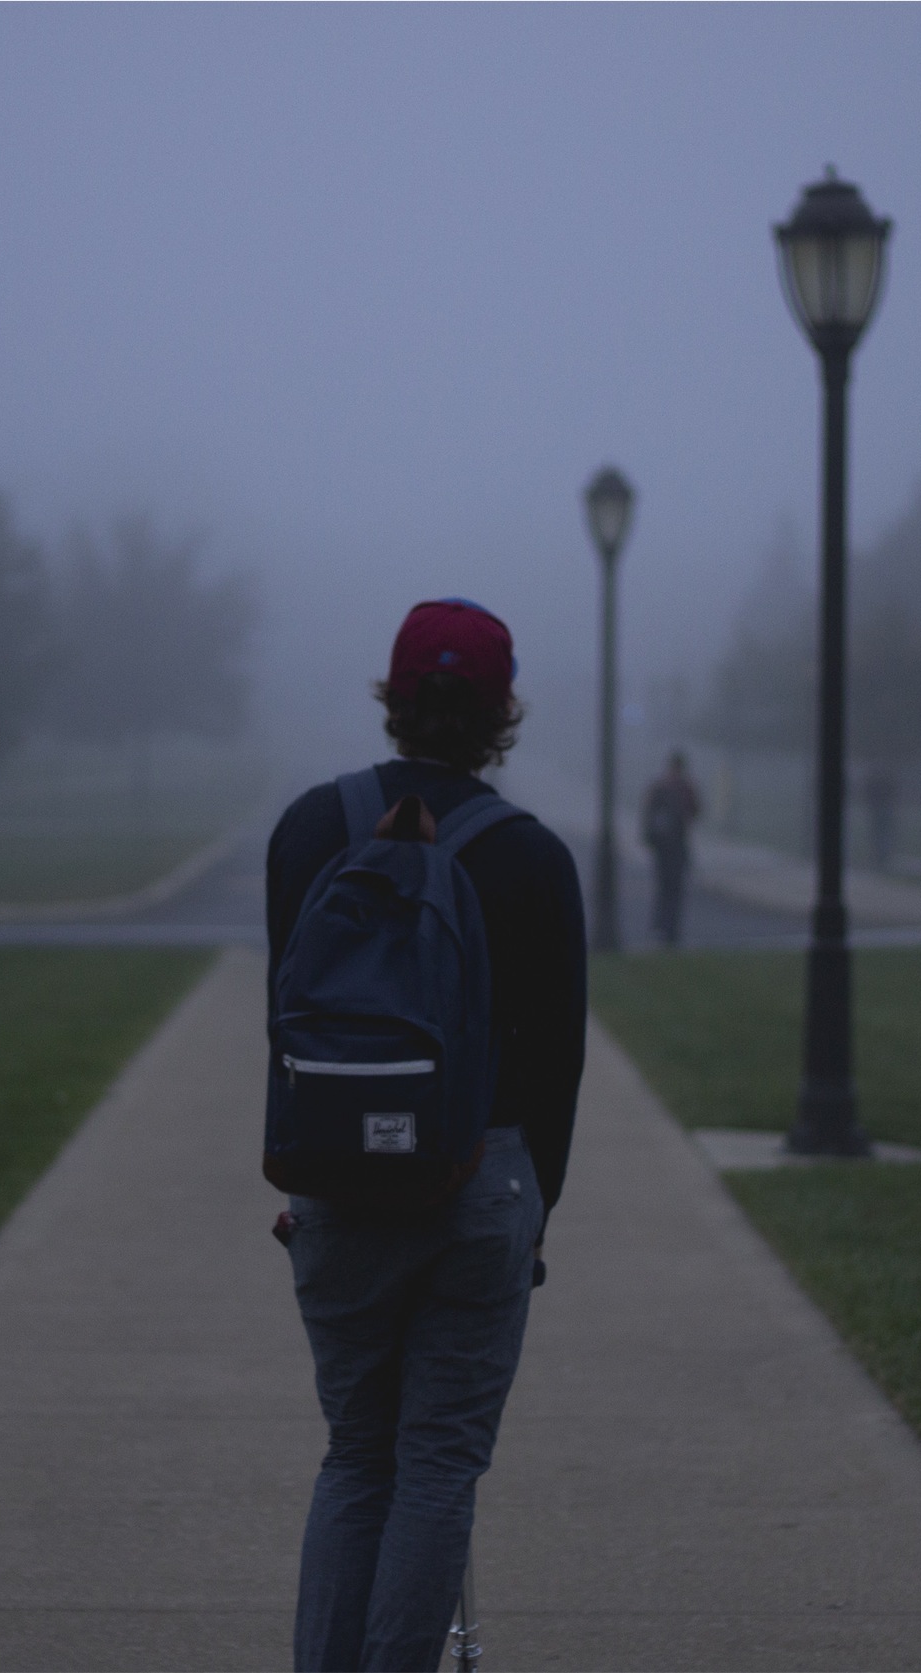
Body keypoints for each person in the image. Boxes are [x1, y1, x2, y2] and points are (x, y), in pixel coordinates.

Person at [265, 598, 586, 1673]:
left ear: (394, 700)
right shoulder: (533, 858)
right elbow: (556, 1069)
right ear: (501, 715)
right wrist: (535, 1212)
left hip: (339, 1189)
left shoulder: (310, 829)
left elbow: (288, 1025)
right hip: (479, 1184)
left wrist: (304, 1177)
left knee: (356, 1458)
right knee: (437, 1464)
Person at [640, 751, 703, 947]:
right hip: (675, 846)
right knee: (673, 888)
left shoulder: (660, 786)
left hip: (665, 847)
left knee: (665, 887)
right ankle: (669, 927)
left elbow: (648, 813)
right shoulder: (684, 788)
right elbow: (695, 811)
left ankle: (663, 925)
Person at [861, 762, 898, 873]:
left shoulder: (878, 782)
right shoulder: (883, 782)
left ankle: (881, 856)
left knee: (880, 833)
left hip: (881, 810)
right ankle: (880, 856)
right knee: (880, 833)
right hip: (880, 810)